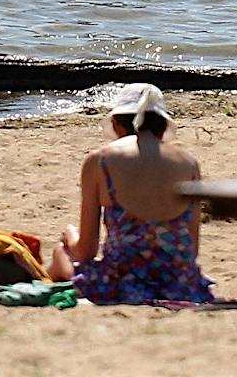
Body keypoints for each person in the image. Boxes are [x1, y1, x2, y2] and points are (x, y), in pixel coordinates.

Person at [47, 83, 218, 305]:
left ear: (116, 124)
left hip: (122, 280)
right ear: (162, 126)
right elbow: (191, 250)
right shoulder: (189, 163)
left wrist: (70, 237)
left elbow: (86, 251)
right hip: (179, 281)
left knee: (61, 253)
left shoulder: (100, 160)